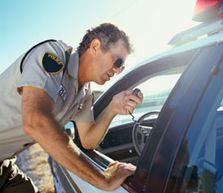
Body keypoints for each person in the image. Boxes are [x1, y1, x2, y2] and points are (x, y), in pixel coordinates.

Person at [0, 23, 143, 192]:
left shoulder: (85, 93)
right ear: (95, 46)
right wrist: (102, 180)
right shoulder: (53, 55)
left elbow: (88, 140)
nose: (117, 70)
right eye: (117, 62)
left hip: (5, 165)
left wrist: (112, 109)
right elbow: (35, 121)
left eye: (121, 67)